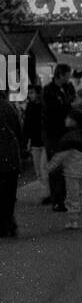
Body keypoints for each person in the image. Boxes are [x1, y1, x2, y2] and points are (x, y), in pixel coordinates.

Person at [46, 108, 82, 232]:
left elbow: (61, 156)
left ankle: (73, 221)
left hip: (71, 171)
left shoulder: (70, 138)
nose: (66, 120)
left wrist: (50, 167)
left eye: (68, 118)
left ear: (74, 121)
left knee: (72, 197)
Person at [42, 63, 76, 211]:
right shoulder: (48, 91)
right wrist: (68, 106)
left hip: (66, 132)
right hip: (54, 133)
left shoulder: (68, 88)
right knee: (56, 166)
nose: (70, 77)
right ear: (61, 74)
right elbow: (52, 111)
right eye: (68, 74)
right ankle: (57, 199)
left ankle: (63, 196)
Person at [0, 88, 23, 237]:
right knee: (9, 192)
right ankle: (8, 223)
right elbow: (18, 129)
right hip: (10, 156)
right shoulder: (8, 106)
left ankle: (5, 224)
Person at [21, 80, 48, 196]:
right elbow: (27, 125)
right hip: (36, 143)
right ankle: (46, 191)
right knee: (38, 169)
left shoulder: (44, 106)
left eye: (32, 92)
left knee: (43, 168)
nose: (29, 95)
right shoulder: (30, 107)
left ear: (38, 93)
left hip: (45, 142)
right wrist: (25, 141)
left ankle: (48, 193)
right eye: (29, 93)